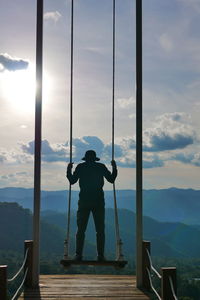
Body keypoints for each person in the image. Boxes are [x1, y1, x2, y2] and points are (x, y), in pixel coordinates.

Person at [66, 150, 117, 261]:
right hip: (98, 201)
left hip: (84, 200)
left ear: (86, 158)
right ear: (95, 158)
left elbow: (72, 181)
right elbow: (111, 179)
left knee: (81, 229)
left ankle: (78, 254)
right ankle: (100, 255)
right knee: (100, 230)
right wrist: (114, 168)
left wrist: (68, 169)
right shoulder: (100, 167)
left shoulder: (81, 167)